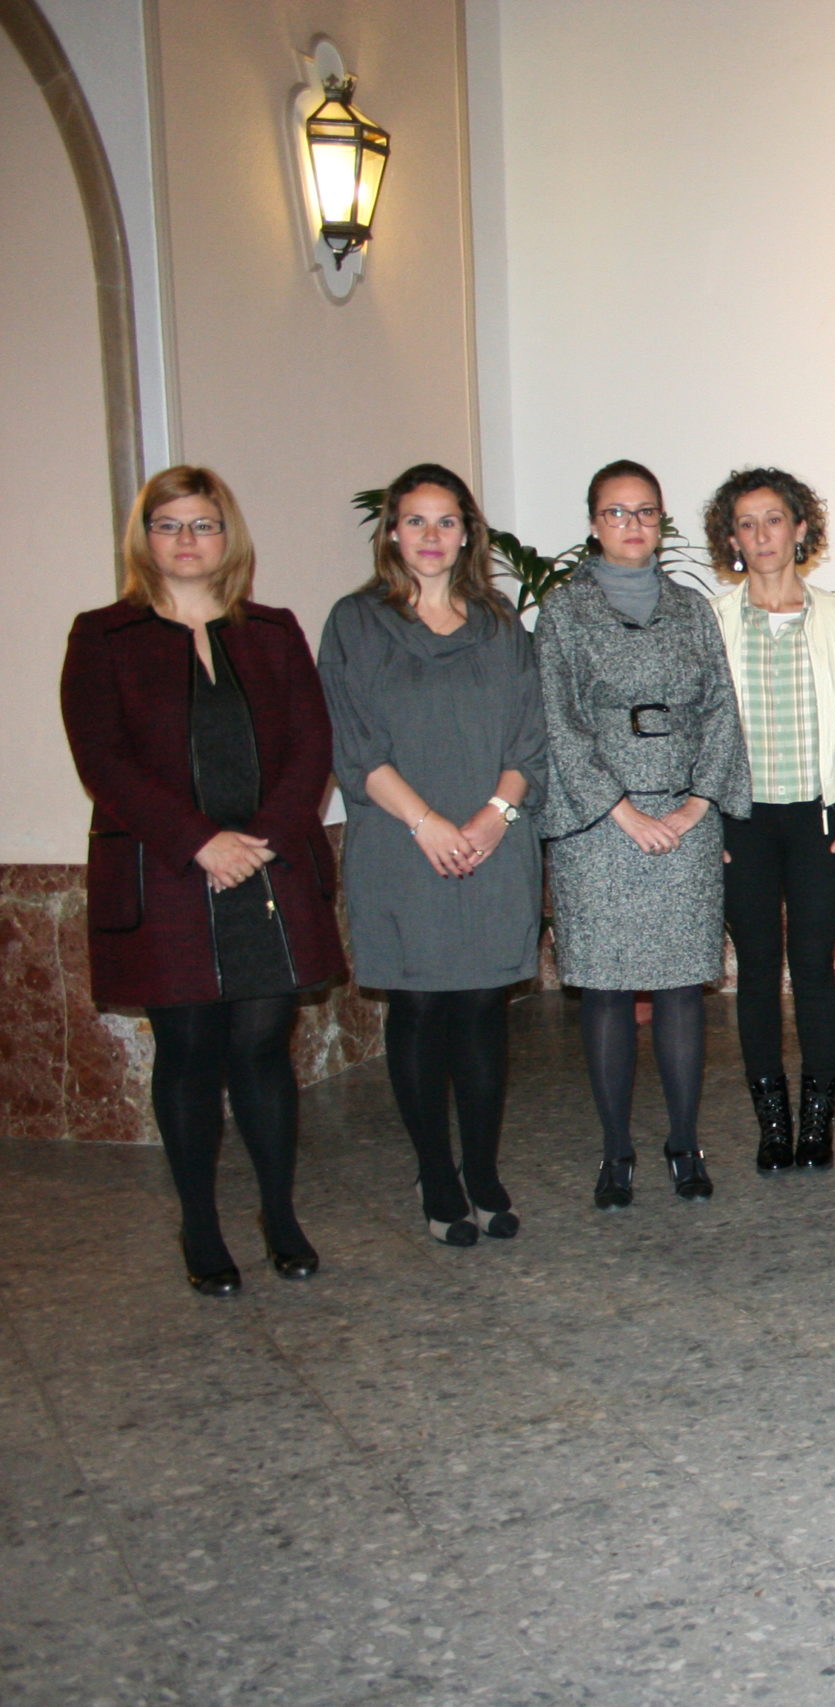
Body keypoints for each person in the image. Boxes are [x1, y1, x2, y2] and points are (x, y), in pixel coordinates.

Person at [61, 466, 345, 1293]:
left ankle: (280, 1215)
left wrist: (257, 838)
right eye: (170, 525)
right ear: (144, 538)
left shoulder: (273, 629)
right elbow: (102, 760)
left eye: (204, 524)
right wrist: (200, 842)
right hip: (167, 879)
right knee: (187, 1051)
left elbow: (311, 744)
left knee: (262, 1049)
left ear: (230, 537)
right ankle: (200, 1223)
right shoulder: (103, 636)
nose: (188, 540)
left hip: (267, 869)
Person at [319, 465, 546, 1248]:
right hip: (399, 843)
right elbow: (353, 744)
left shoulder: (498, 622)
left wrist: (493, 816)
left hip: (493, 844)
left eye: (445, 522)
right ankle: (436, 1173)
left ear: (467, 533)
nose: (430, 536)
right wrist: (428, 824)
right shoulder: (355, 622)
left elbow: (530, 736)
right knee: (418, 1007)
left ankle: (481, 1169)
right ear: (391, 531)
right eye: (414, 521)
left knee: (483, 1008)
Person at [538, 459, 752, 1209]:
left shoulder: (693, 609)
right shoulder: (563, 613)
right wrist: (620, 810)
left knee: (681, 990)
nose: (633, 523)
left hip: (686, 818)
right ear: (595, 524)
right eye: (617, 511)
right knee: (603, 989)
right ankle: (616, 1149)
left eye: (647, 511)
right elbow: (557, 724)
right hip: (599, 827)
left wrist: (696, 806)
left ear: (663, 523)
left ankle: (685, 1142)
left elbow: (722, 712)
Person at [704, 468, 835, 1175]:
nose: (762, 535)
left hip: (818, 818)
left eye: (774, 519)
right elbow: (698, 728)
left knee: (812, 967)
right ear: (732, 538)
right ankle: (772, 1124)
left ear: (800, 527)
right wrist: (705, 813)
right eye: (746, 523)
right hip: (740, 820)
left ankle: (816, 1121)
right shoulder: (712, 618)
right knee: (756, 972)